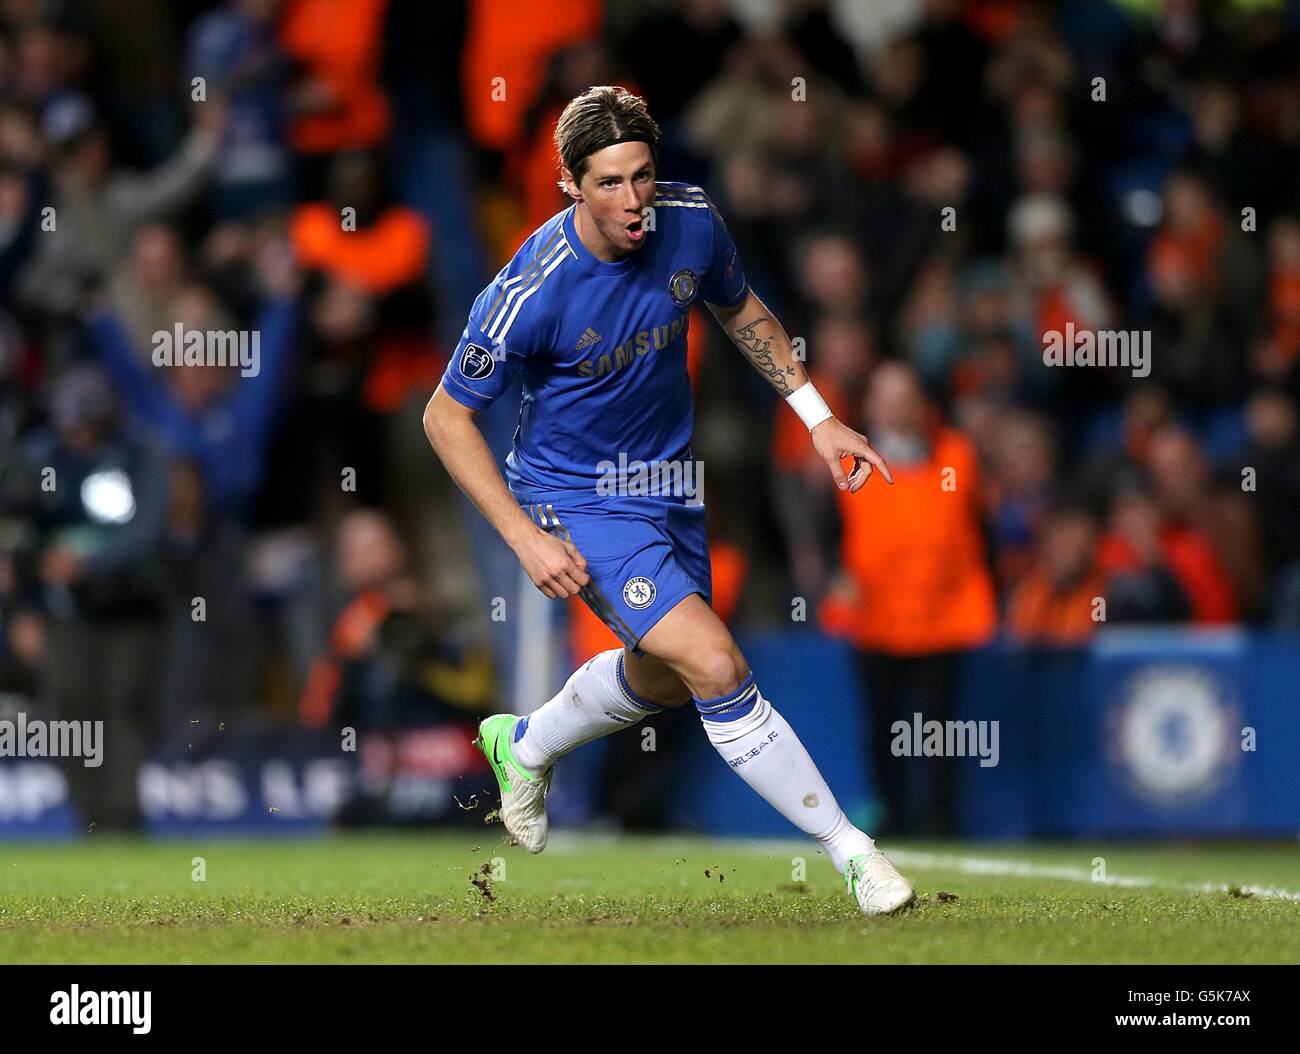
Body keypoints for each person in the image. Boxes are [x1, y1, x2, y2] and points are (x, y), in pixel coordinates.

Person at [423, 86, 914, 916]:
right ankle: (856, 855)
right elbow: (445, 416)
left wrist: (820, 418)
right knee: (717, 663)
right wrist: (520, 536)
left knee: (670, 676)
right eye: (608, 182)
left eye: (642, 175)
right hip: (573, 497)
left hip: (668, 488)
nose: (632, 200)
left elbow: (741, 310)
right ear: (570, 187)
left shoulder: (691, 221)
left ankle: (525, 744)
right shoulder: (530, 287)